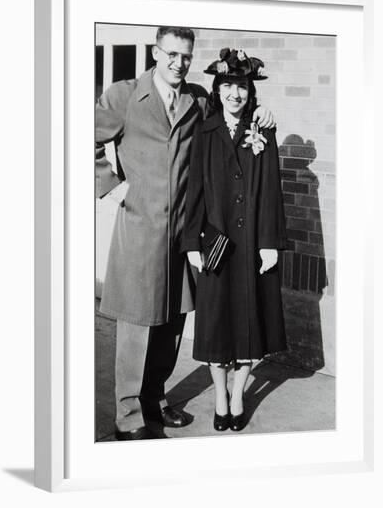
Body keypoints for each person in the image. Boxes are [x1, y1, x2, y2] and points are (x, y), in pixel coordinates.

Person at [95, 27, 276, 440]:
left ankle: (155, 402)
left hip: (184, 231)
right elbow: (76, 135)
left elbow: (233, 110)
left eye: (186, 56)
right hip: (141, 228)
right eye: (172, 54)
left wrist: (264, 114)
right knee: (138, 322)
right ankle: (128, 418)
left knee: (173, 321)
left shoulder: (196, 97)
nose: (179, 63)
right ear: (157, 52)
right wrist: (111, 185)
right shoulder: (125, 95)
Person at [181, 48, 287, 432]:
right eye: (227, 86)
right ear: (218, 89)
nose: (234, 94)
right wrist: (192, 241)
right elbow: (194, 191)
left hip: (253, 246)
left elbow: (272, 190)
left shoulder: (263, 130)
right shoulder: (205, 132)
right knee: (215, 325)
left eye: (241, 86)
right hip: (216, 245)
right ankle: (220, 394)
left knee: (248, 323)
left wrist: (270, 242)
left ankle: (239, 394)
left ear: (249, 91)